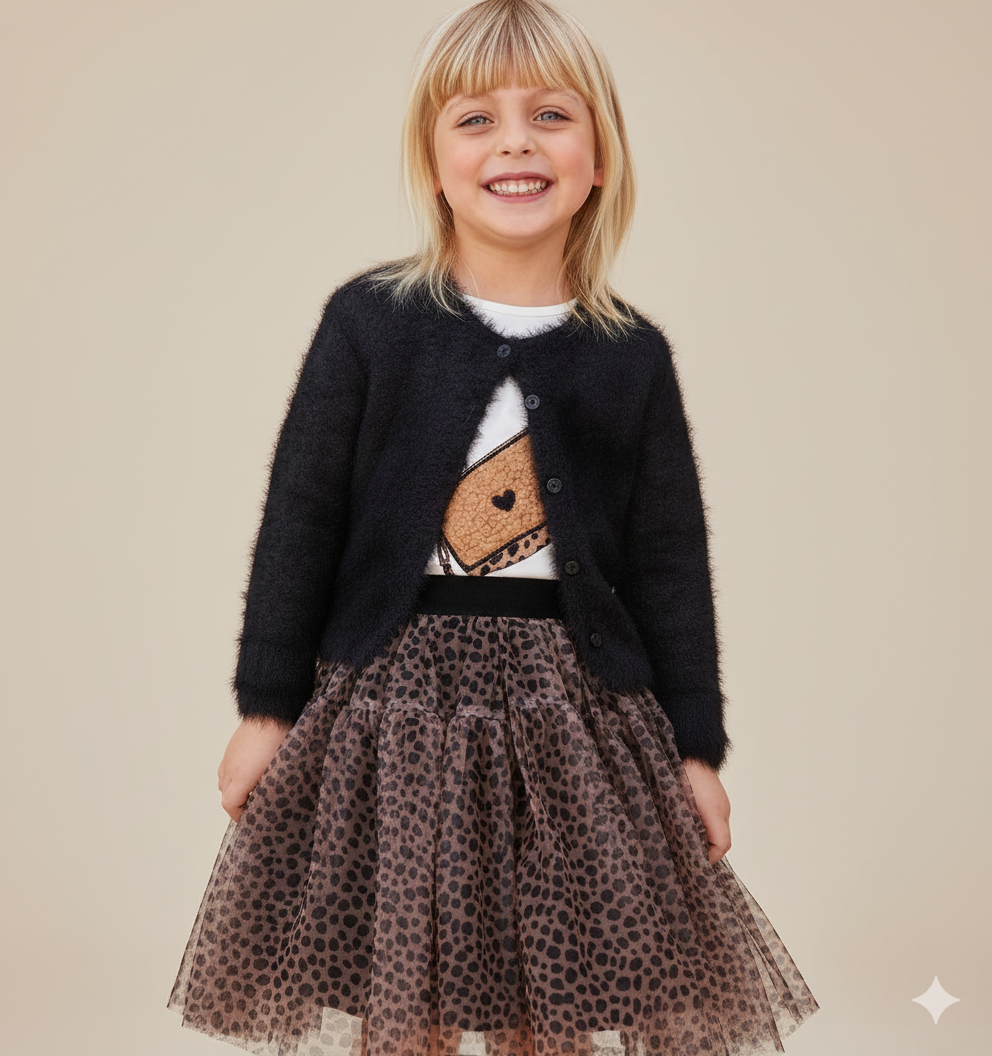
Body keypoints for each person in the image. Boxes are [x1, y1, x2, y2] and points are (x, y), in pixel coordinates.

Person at [167, 2, 819, 1053]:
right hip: (394, 710)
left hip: (574, 717)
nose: (515, 142)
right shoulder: (368, 323)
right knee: (409, 990)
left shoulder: (631, 356)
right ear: (433, 164)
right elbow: (300, 521)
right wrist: (266, 708)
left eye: (550, 116)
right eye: (475, 120)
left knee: (548, 997)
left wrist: (696, 750)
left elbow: (669, 566)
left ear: (598, 158)